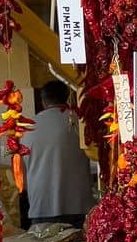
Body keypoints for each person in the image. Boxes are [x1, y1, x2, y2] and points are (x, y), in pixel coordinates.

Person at [23, 81, 94, 228]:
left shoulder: (29, 127)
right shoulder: (79, 121)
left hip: (42, 207)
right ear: (67, 97)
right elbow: (94, 156)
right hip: (77, 205)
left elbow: (24, 167)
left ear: (43, 101)